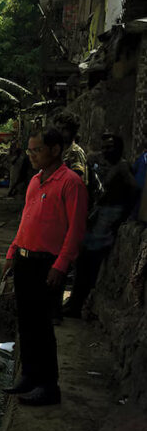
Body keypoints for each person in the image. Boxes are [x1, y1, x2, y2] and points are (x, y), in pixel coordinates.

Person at [3, 127, 88, 406]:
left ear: (55, 150)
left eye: (37, 150)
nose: (32, 156)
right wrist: (12, 251)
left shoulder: (71, 183)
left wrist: (61, 265)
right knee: (26, 321)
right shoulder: (35, 180)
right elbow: (26, 219)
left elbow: (76, 230)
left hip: (47, 264)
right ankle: (29, 375)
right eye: (29, 151)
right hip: (25, 259)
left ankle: (49, 386)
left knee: (42, 325)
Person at [64, 133, 139, 317]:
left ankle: (77, 304)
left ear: (119, 149)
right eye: (104, 147)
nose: (105, 151)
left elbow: (134, 191)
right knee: (82, 261)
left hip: (109, 217)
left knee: (87, 262)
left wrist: (123, 216)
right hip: (100, 215)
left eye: (109, 147)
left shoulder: (122, 167)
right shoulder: (105, 165)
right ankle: (75, 302)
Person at [55, 112, 88, 184]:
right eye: (58, 128)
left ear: (72, 131)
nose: (60, 132)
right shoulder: (58, 152)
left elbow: (78, 182)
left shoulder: (75, 152)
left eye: (64, 129)